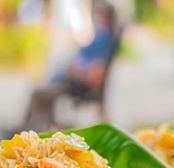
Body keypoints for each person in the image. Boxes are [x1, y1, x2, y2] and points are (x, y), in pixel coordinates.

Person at [23, 2, 118, 131]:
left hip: (78, 85)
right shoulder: (100, 36)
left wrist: (76, 71)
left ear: (107, 17)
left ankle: (34, 130)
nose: (97, 17)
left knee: (40, 94)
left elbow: (95, 74)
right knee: (40, 94)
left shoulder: (105, 40)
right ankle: (33, 128)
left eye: (100, 15)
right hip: (71, 79)